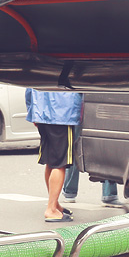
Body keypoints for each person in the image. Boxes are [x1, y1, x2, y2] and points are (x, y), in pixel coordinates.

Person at [25, 88, 80, 222]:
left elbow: (29, 88)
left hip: (41, 113)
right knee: (60, 163)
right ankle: (51, 209)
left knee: (50, 161)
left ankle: (54, 203)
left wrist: (32, 111)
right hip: (63, 115)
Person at [60, 93, 122, 206]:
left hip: (81, 107)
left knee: (77, 149)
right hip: (97, 105)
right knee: (105, 147)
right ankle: (109, 195)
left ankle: (70, 192)